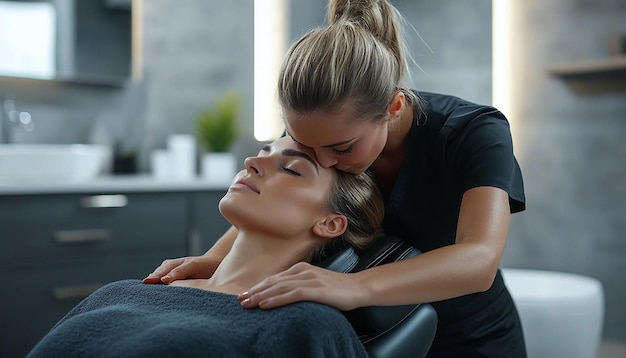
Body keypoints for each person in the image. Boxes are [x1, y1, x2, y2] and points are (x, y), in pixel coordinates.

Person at [144, 0, 527, 356]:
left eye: (341, 149)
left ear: (393, 107)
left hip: (471, 335)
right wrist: (214, 261)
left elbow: (478, 260)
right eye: (305, 147)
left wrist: (353, 286)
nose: (324, 160)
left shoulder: (473, 133)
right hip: (358, 327)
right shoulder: (324, 130)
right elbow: (270, 193)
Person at [27, 136, 385, 358]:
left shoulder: (304, 326)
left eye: (291, 169)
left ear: (330, 223)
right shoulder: (123, 292)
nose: (252, 162)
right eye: (262, 152)